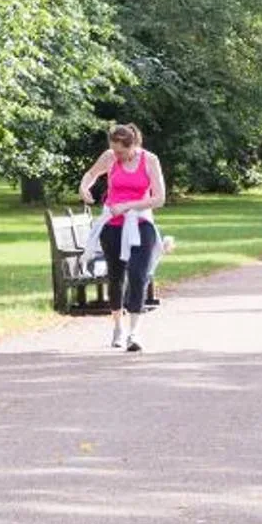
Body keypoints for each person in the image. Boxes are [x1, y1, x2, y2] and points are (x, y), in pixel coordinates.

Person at [77, 122, 167, 352]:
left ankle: (134, 332)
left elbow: (159, 198)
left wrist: (129, 205)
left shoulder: (150, 160)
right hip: (112, 224)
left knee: (138, 275)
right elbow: (91, 174)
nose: (116, 155)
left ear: (133, 145)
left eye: (120, 152)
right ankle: (118, 326)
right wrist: (84, 187)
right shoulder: (109, 157)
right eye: (113, 150)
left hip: (140, 223)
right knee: (116, 276)